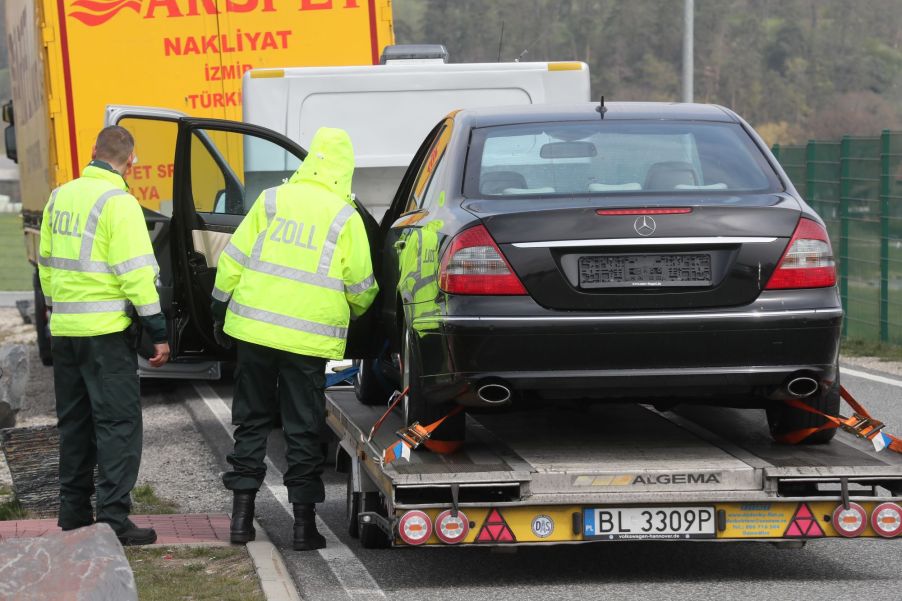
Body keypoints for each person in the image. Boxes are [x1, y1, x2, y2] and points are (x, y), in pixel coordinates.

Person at [211, 127, 377, 550]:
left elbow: (232, 261)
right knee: (303, 429)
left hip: (254, 330)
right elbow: (362, 287)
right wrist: (359, 317)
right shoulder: (346, 216)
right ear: (345, 171)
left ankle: (240, 522)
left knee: (251, 421)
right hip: (307, 341)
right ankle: (304, 529)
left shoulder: (270, 200)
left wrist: (218, 308)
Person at [38, 126, 170, 546]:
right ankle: (114, 519)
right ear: (132, 161)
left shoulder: (59, 196)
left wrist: (61, 307)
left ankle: (73, 513)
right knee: (118, 425)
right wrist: (158, 331)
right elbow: (135, 275)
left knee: (75, 425)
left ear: (93, 151)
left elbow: (45, 264)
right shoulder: (120, 203)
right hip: (106, 334)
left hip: (65, 330)